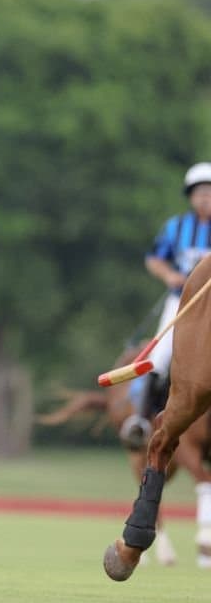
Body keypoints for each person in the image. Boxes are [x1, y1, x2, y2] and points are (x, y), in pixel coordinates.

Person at [122, 161, 211, 447]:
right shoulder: (176, 227)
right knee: (159, 357)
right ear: (190, 196)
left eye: (210, 192)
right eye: (200, 192)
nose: (205, 198)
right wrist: (170, 275)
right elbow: (154, 259)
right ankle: (140, 419)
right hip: (183, 303)